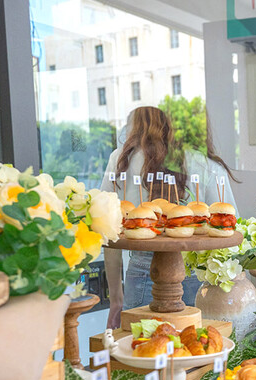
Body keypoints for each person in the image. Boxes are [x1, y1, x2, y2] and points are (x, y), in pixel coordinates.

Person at [101, 106, 237, 328]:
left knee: (139, 347)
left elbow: (107, 230)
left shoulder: (120, 160)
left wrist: (115, 298)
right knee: (195, 346)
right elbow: (231, 230)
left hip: (142, 271)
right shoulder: (206, 164)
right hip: (198, 273)